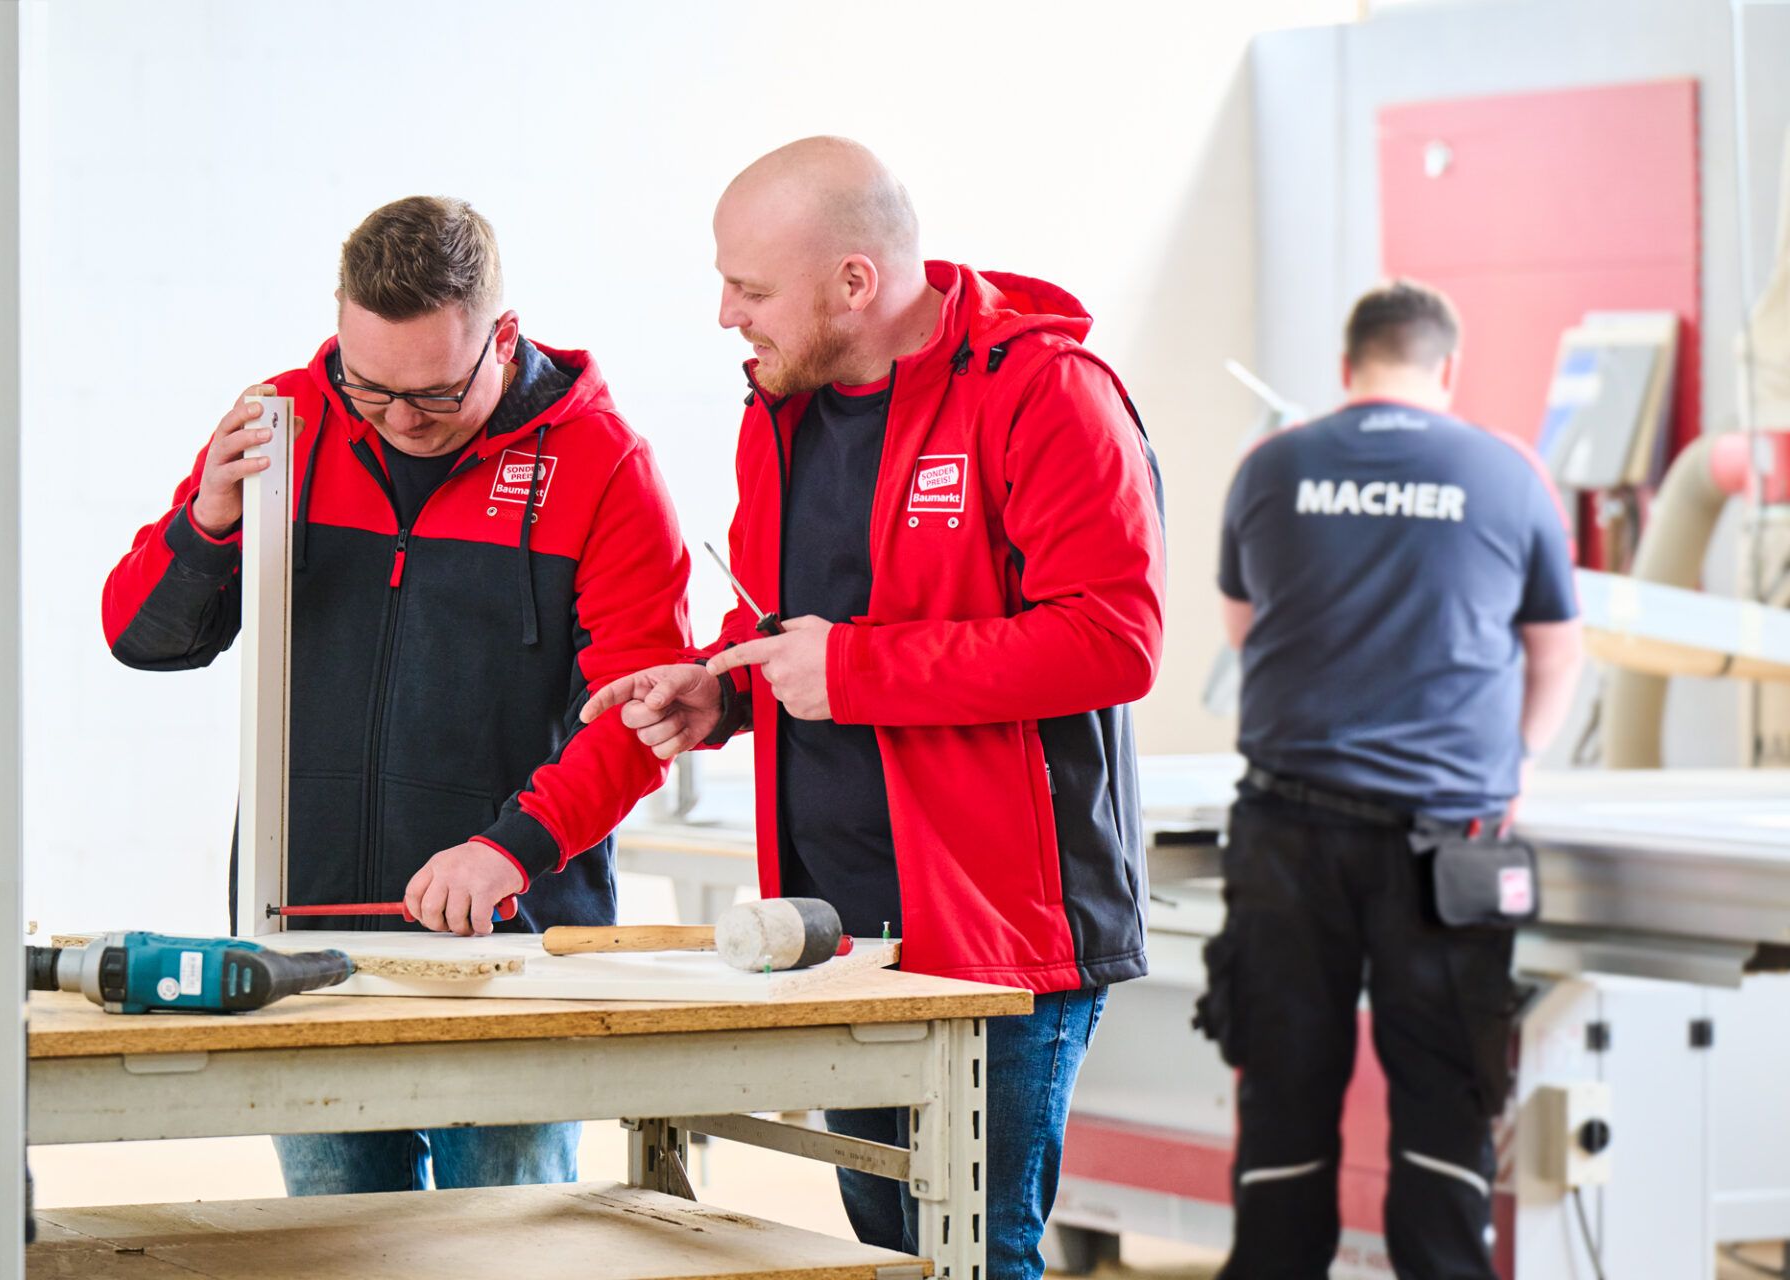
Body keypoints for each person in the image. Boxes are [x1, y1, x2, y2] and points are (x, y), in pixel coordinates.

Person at [580, 137, 1167, 1278]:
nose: (725, 315)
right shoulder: (782, 411)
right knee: (887, 1247)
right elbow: (795, 621)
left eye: (750, 290)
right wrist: (724, 688)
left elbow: (1114, 639)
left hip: (1000, 937)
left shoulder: (1046, 392)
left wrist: (851, 672)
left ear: (855, 280)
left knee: (971, 1255)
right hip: (838, 933)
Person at [102, 195, 691, 1194]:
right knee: (336, 1250)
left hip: (510, 957)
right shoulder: (285, 424)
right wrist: (208, 522)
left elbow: (641, 719)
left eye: (435, 394)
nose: (403, 420)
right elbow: (142, 640)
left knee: (497, 1252)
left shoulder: (603, 465)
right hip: (304, 948)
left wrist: (513, 847)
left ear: (503, 336)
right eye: (370, 389)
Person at [1202, 279, 1586, 1278]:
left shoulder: (1272, 465)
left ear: (1348, 365)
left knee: (1284, 1082)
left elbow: (1245, 631)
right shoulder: (1507, 471)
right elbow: (1556, 650)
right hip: (1448, 842)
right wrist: (1518, 758)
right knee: (1447, 1088)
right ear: (1448, 367)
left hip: (1288, 829)